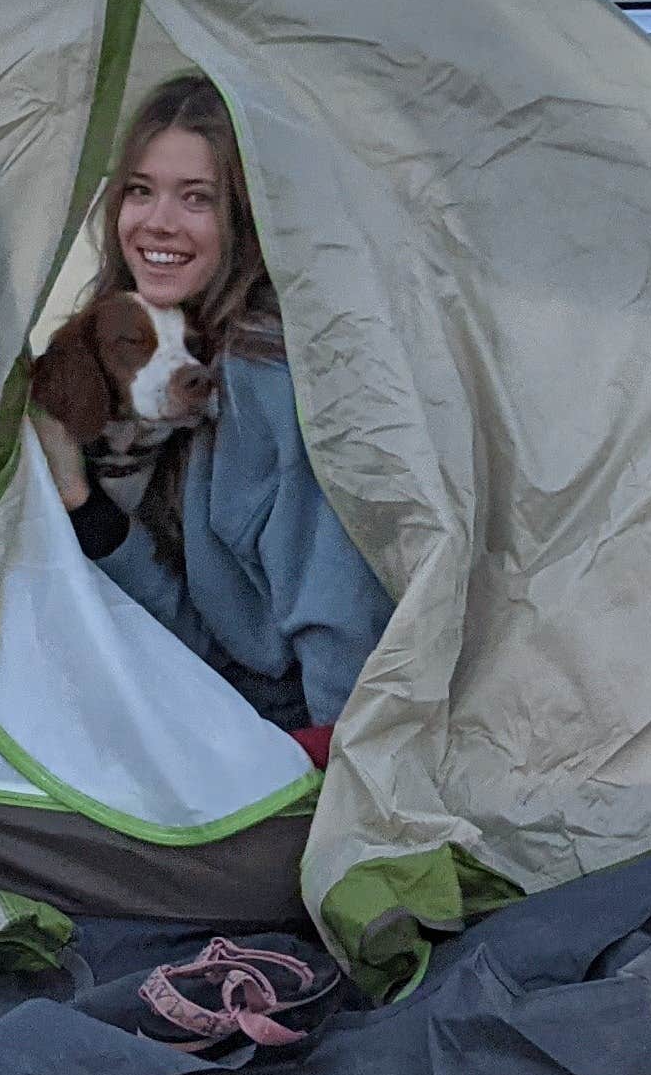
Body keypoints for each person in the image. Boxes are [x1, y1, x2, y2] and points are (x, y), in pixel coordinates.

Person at [25, 73, 393, 759]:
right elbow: (201, 634)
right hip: (214, 698)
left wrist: (348, 787)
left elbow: (336, 611)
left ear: (246, 216)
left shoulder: (262, 371)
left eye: (197, 198)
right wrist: (81, 501)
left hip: (295, 739)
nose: (158, 221)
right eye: (140, 189)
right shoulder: (181, 337)